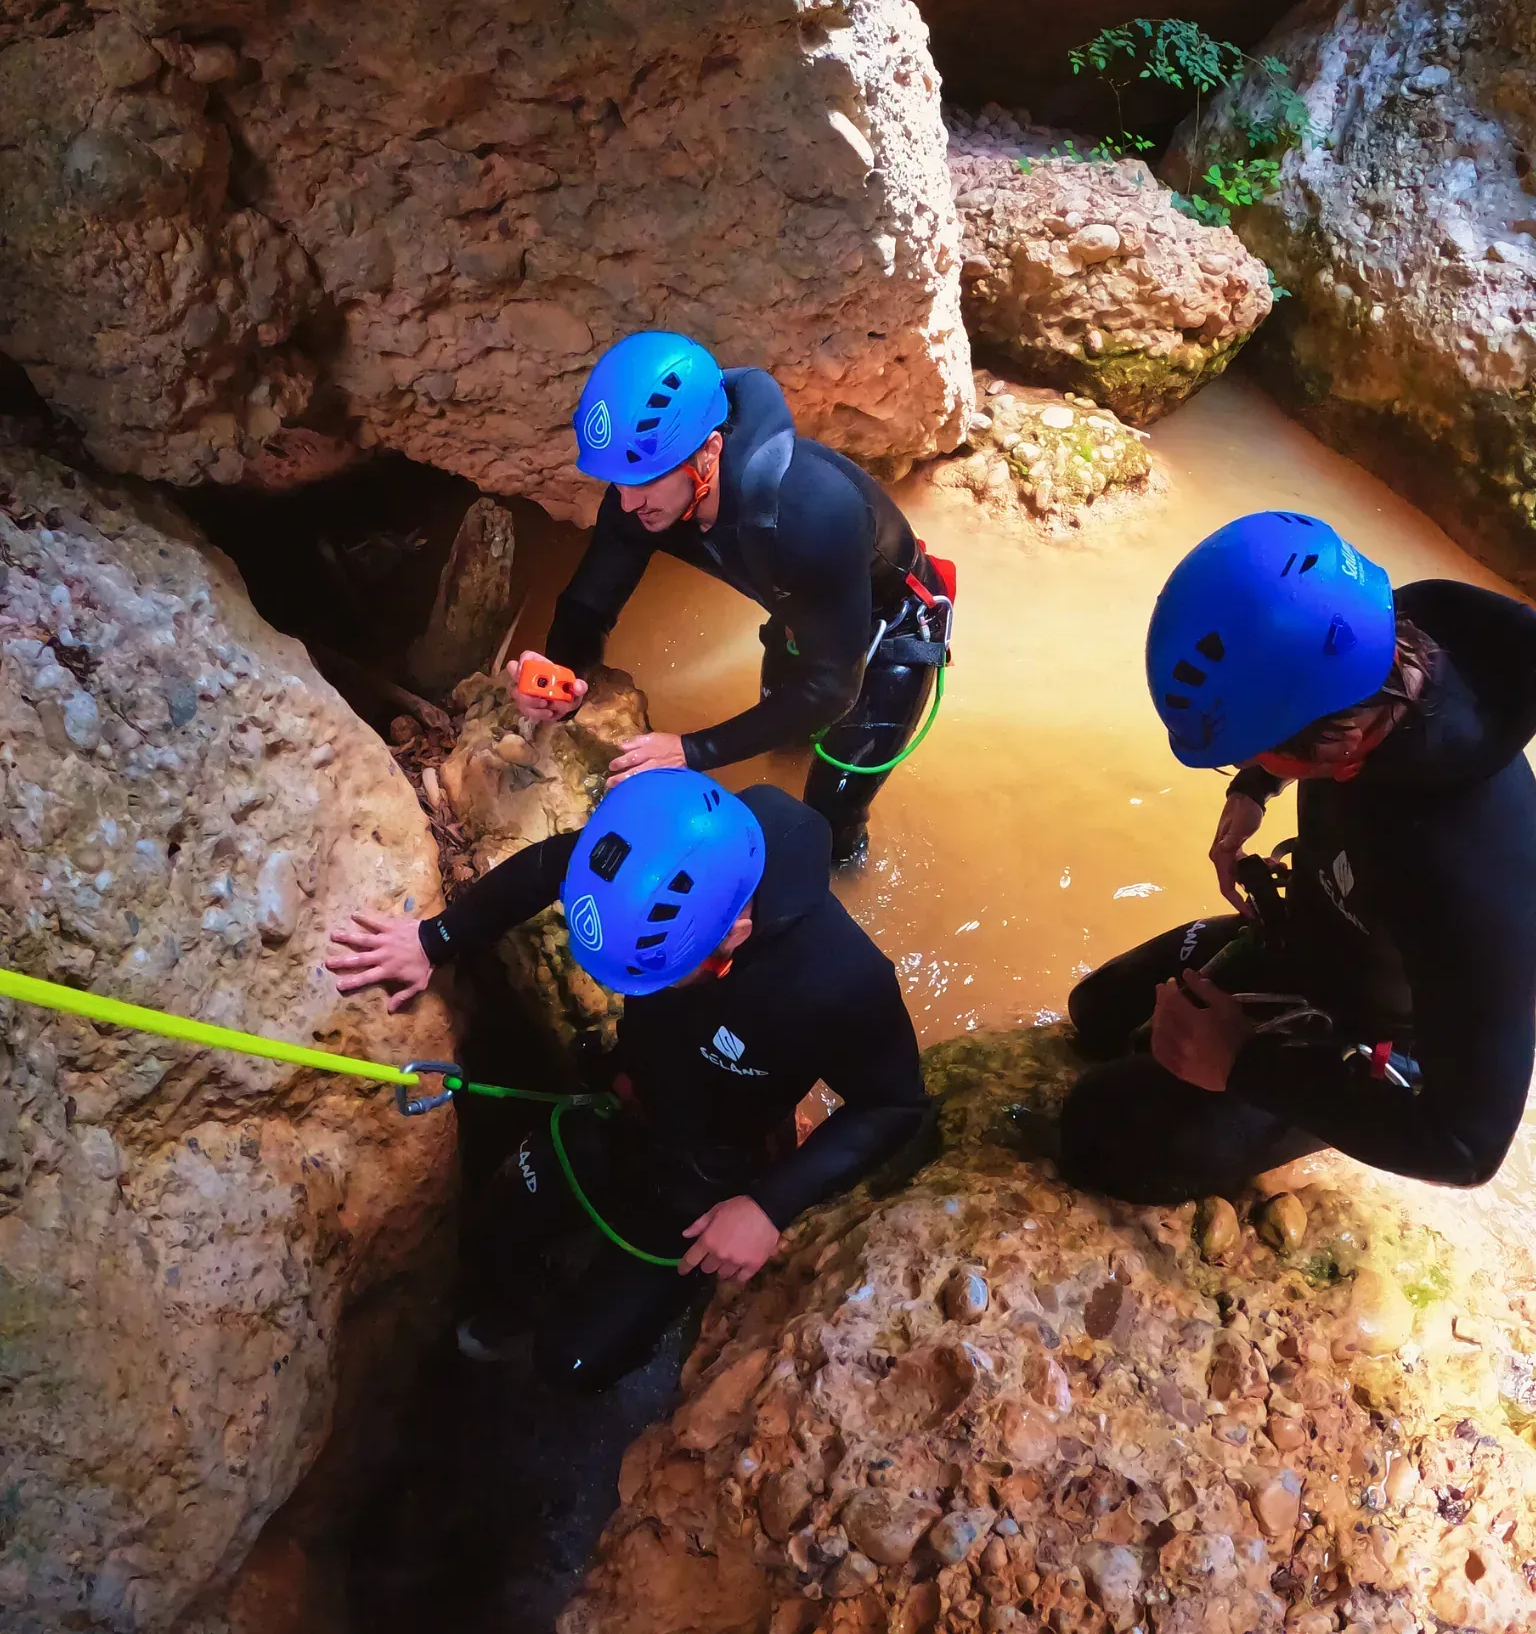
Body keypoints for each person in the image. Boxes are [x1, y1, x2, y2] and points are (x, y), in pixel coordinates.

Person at [324, 770, 928, 1390]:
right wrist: (434, 939)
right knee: (498, 1222)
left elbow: (895, 1105)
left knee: (574, 1364)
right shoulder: (662, 851)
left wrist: (769, 1206)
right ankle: (519, 1297)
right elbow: (548, 866)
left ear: (731, 938)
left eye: (656, 971)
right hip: (626, 1095)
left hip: (712, 1165)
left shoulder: (841, 980)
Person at [1060, 509, 1536, 1205]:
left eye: (1243, 754)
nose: (1241, 764)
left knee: (1096, 1134)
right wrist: (1256, 786)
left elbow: (1467, 1146)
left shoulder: (1469, 872)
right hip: (1310, 937)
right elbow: (1301, 691)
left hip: (1371, 1027)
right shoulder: (1381, 638)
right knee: (1097, 1012)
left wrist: (1242, 1063)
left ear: (1337, 747)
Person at [511, 331, 953, 868]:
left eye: (644, 480)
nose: (626, 503)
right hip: (802, 614)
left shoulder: (808, 514)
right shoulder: (646, 497)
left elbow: (831, 688)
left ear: (710, 451)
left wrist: (691, 750)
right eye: (618, 482)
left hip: (895, 625)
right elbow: (589, 605)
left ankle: (844, 872)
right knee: (783, 742)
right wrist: (561, 675)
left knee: (826, 815)